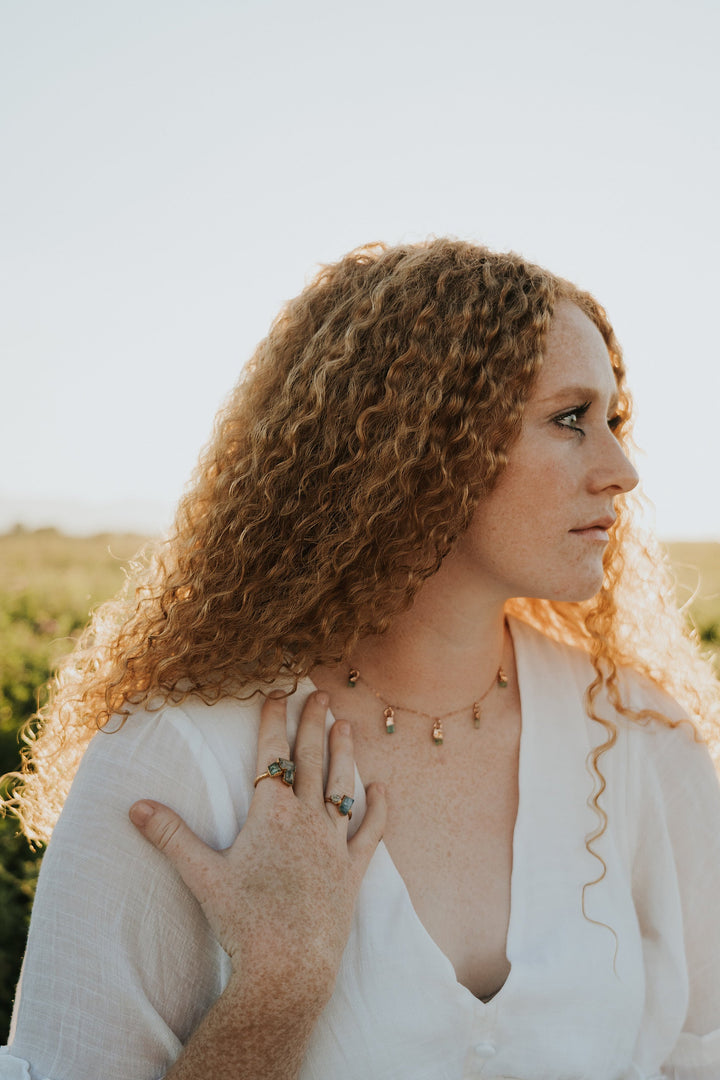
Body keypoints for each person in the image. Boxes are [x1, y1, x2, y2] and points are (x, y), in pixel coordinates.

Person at [1, 239, 719, 1080]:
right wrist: (278, 986)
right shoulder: (180, 760)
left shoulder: (636, 734)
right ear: (424, 445)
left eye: (615, 420)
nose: (621, 470)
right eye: (570, 419)